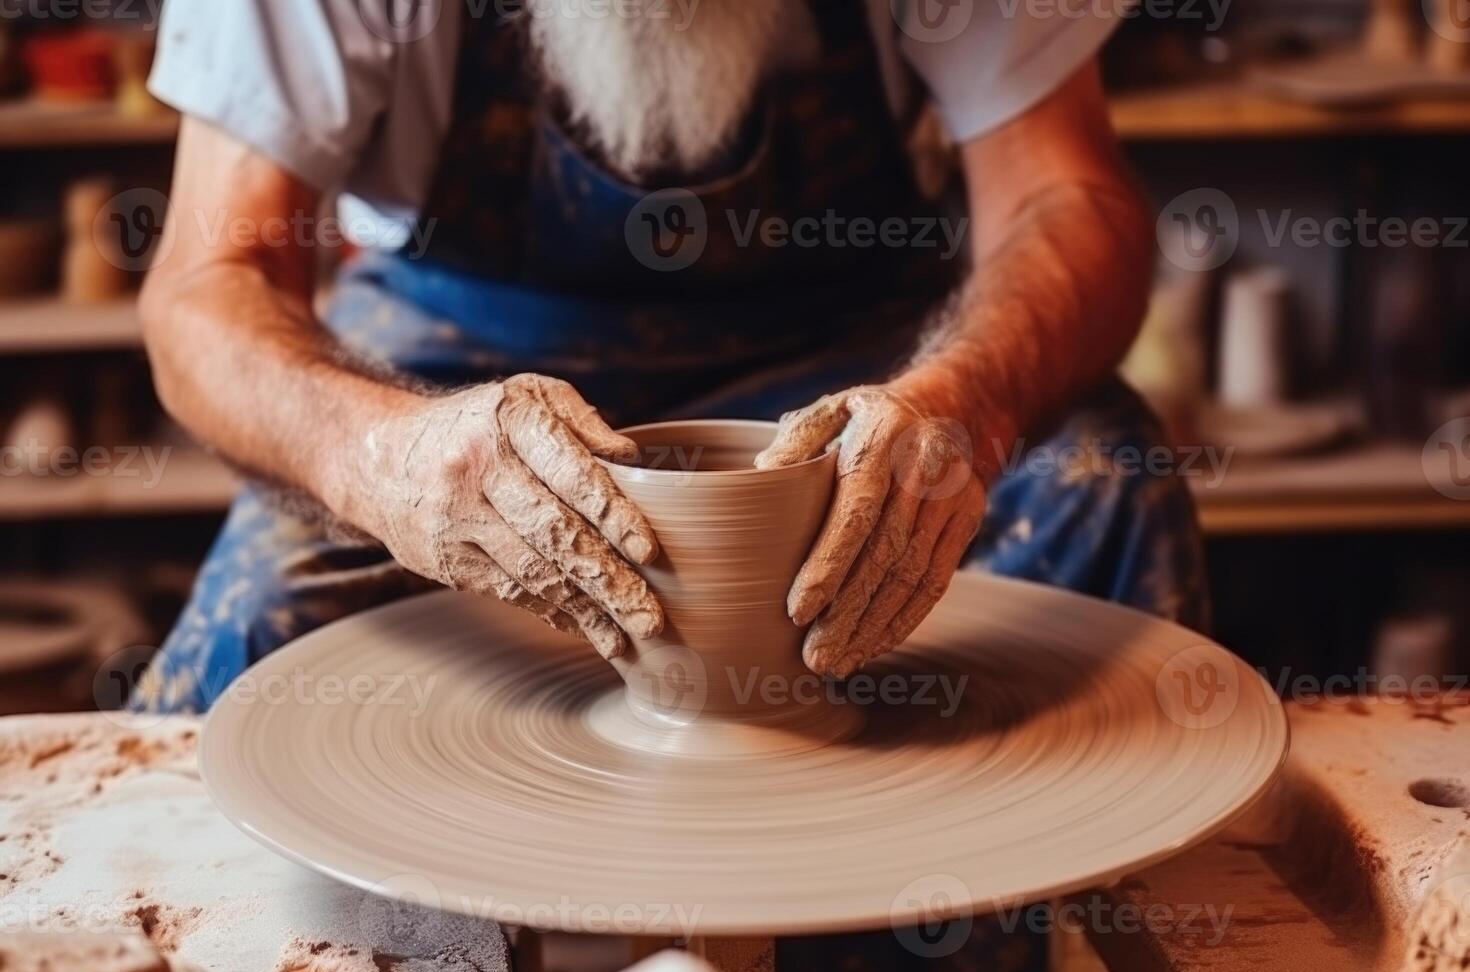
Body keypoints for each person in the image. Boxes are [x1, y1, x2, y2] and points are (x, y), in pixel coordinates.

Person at [130, 0, 1207, 715]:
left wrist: (964, 403)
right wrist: (381, 458)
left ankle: (924, 937)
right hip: (455, 360)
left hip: (857, 339)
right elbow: (204, 289)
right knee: (267, 616)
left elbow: (1071, 200)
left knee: (1096, 487)